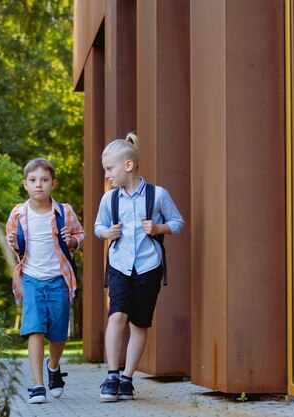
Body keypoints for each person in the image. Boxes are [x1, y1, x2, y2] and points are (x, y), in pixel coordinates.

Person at [94, 133, 184, 401]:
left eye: (110, 169)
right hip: (120, 265)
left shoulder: (158, 195)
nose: (107, 175)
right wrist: (106, 233)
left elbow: (178, 221)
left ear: (128, 166)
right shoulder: (109, 199)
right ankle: (111, 375)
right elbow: (98, 226)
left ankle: (127, 378)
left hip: (148, 267)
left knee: (139, 324)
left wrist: (159, 228)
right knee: (117, 316)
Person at [5, 158, 85, 404]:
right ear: (25, 185)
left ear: (53, 184)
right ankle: (37, 386)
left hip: (58, 279)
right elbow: (14, 243)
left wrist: (73, 242)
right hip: (30, 279)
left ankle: (54, 366)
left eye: (44, 180)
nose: (38, 184)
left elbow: (79, 235)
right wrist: (13, 244)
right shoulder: (18, 213)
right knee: (34, 329)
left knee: (59, 334)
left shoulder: (65, 211)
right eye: (33, 180)